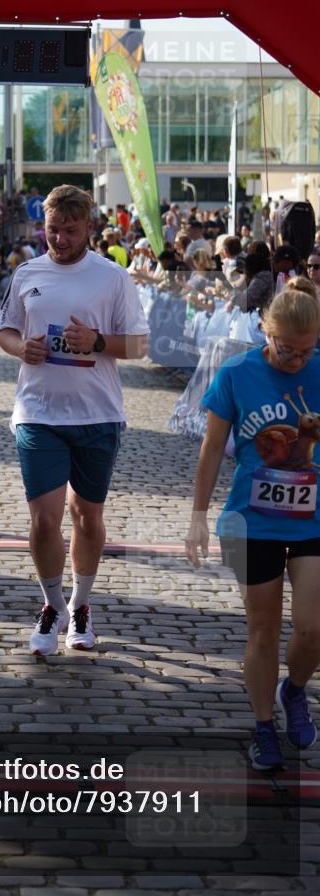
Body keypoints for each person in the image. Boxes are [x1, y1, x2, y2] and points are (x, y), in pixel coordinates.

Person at [0, 185, 149, 655]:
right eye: (52, 230)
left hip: (97, 414)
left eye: (70, 230)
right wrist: (21, 347)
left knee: (86, 515)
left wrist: (97, 342)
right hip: (38, 412)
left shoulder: (112, 277)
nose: (60, 240)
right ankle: (52, 605)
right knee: (45, 520)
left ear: (88, 228)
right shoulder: (27, 273)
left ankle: (81, 605)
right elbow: (5, 330)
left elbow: (140, 345)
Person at [185, 283, 320, 770]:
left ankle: (294, 690)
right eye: (287, 349)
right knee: (262, 629)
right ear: (266, 331)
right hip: (249, 522)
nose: (296, 360)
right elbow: (210, 450)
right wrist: (198, 516)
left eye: (306, 350)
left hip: (313, 520)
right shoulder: (237, 373)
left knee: (313, 628)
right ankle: (264, 727)